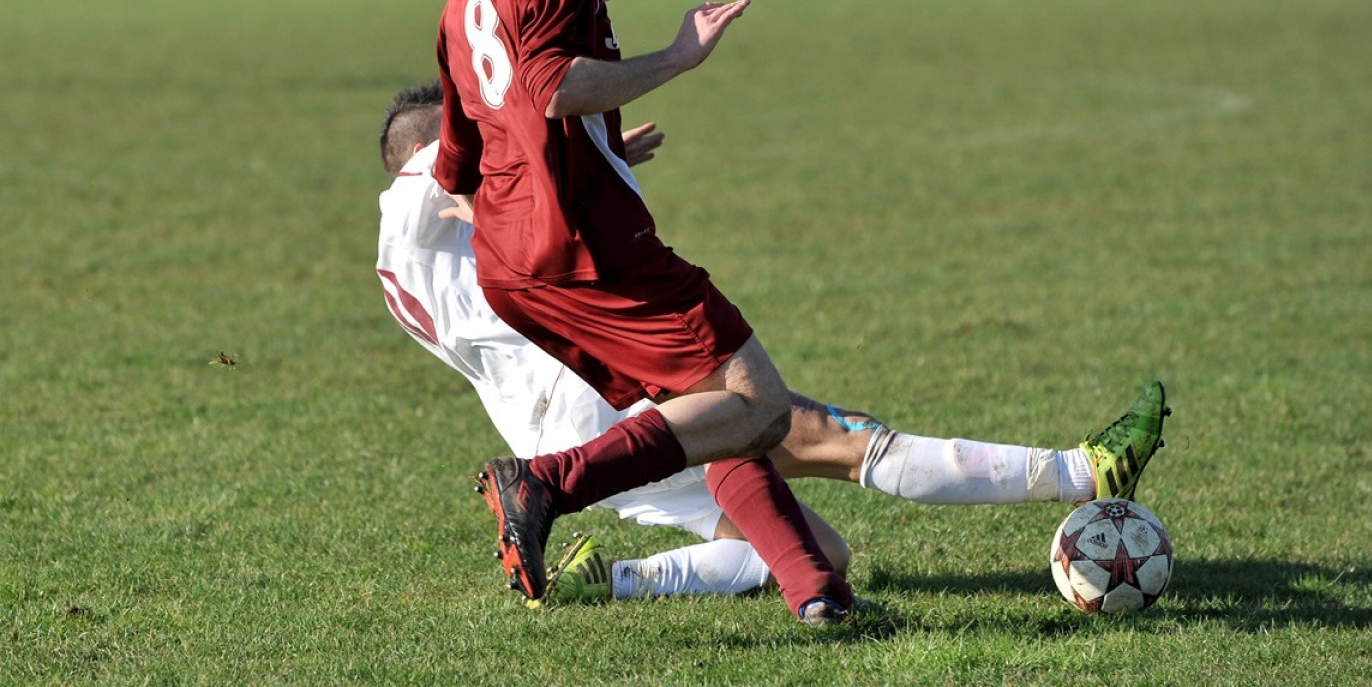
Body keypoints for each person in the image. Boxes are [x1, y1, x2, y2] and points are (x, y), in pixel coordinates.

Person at [378, 78, 1170, 607]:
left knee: (821, 550)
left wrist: (599, 159)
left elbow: (511, 208)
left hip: (565, 429)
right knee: (827, 434)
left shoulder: (408, 268)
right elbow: (478, 172)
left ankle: (608, 581)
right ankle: (1080, 470)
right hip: (602, 394)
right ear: (422, 145)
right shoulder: (415, 191)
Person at [432, 0, 854, 623]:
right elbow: (551, 87)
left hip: (515, 258)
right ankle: (546, 484)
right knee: (757, 403)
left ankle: (817, 588)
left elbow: (464, 150)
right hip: (587, 245)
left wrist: (593, 154)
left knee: (696, 407)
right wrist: (677, 56)